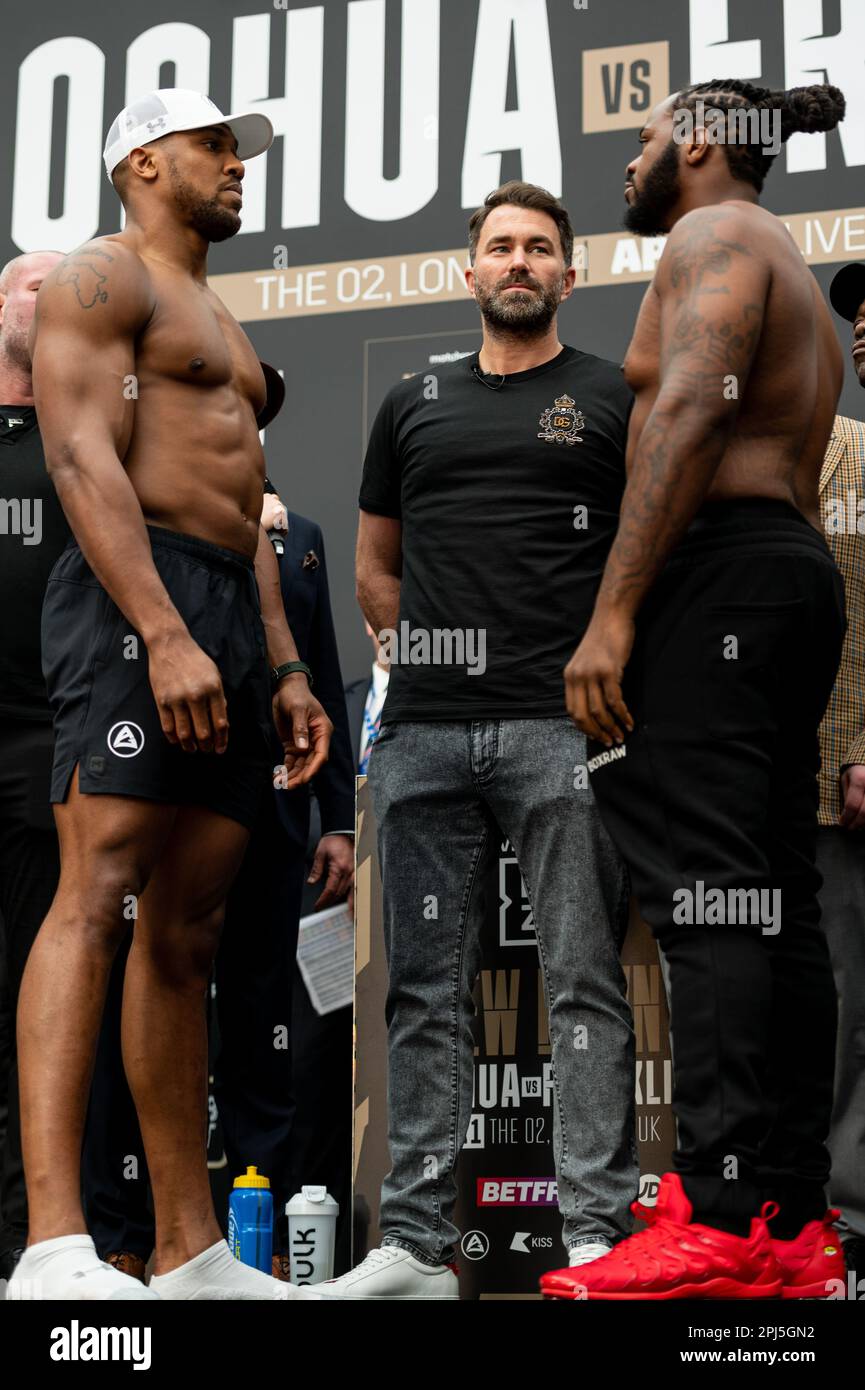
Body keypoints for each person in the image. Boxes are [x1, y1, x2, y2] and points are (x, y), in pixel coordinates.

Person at [9, 88, 331, 1303]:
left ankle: (194, 1252)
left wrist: (284, 660)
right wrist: (157, 628)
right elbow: (81, 452)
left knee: (187, 930)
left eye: (239, 147)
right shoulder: (102, 277)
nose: (237, 163)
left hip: (225, 617)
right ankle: (53, 1246)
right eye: (216, 144)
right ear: (143, 159)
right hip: (129, 593)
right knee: (97, 892)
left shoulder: (221, 320)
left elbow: (248, 505)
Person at [543, 81, 847, 1301]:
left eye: (641, 140)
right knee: (772, 893)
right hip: (779, 575)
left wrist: (613, 613)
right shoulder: (789, 264)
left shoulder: (714, 236)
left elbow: (684, 407)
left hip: (719, 577)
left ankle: (720, 1212)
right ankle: (788, 1216)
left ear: (703, 143)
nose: (628, 163)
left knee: (713, 890)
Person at [320, 180, 638, 1300]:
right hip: (420, 737)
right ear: (469, 270)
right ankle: (412, 1244)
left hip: (566, 728)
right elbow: (372, 563)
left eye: (538, 248)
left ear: (568, 272)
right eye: (499, 246)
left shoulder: (611, 397)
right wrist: (416, 652)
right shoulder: (413, 402)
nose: (517, 262)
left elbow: (647, 558)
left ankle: (595, 1232)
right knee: (420, 988)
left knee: (584, 979)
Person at [0, 251, 65, 1283]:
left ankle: (35, 1242)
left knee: (44, 1003)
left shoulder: (93, 440)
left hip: (58, 749)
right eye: (37, 283)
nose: (57, 300)